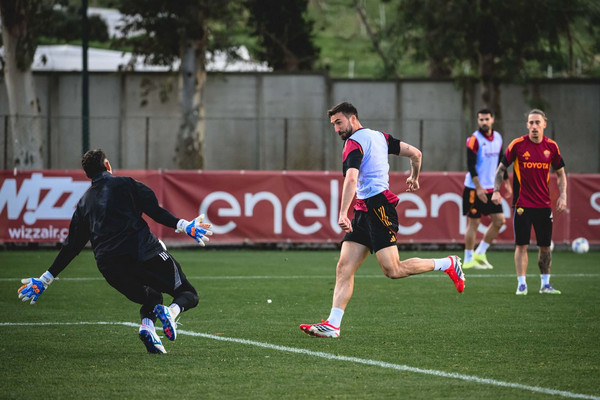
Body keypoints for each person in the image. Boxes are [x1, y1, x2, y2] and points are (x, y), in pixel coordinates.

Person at [17, 149, 213, 354]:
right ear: (107, 165)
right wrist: (184, 225)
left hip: (110, 267)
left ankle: (147, 328)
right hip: (143, 252)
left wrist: (45, 279)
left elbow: (72, 246)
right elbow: (155, 211)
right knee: (187, 293)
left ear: (88, 174)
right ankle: (170, 313)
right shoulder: (126, 184)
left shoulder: (84, 203)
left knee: (152, 296)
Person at [299, 102, 465, 338]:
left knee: (393, 270)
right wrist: (414, 177)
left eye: (339, 122)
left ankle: (447, 263)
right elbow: (416, 154)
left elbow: (351, 179)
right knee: (344, 267)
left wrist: (343, 212)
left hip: (378, 208)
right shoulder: (380, 137)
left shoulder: (353, 143)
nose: (336, 129)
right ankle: (333, 325)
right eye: (333, 124)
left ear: (353, 118)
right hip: (364, 209)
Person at [491, 109, 567, 295]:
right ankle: (521, 284)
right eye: (531, 123)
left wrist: (563, 195)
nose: (534, 126)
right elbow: (501, 168)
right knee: (521, 245)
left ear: (544, 124)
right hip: (522, 205)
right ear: (527, 125)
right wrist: (496, 191)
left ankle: (545, 284)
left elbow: (560, 173)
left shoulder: (552, 147)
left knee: (545, 246)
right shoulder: (517, 145)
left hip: (544, 205)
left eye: (537, 122)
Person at [462, 109, 512, 270]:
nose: (484, 122)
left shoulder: (498, 137)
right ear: (478, 121)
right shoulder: (474, 140)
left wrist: (506, 181)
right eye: (481, 119)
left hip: (492, 188)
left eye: (486, 119)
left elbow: (501, 162)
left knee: (499, 220)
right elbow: (470, 165)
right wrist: (478, 188)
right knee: (474, 222)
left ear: (492, 119)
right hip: (474, 188)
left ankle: (480, 252)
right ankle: (468, 259)